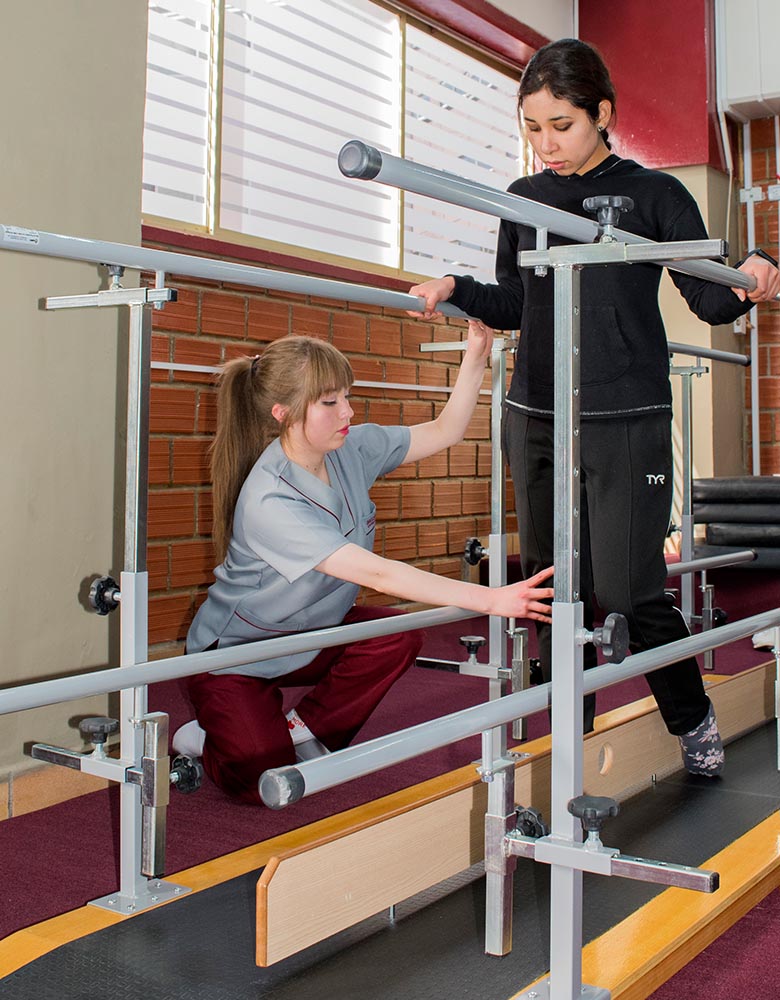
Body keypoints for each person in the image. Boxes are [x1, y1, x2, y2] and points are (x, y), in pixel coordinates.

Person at [408, 38, 780, 776]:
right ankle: (563, 738)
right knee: (549, 584)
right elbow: (516, 301)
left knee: (629, 589)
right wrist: (455, 288)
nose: (546, 144)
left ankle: (691, 718)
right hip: (537, 414)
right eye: (533, 126)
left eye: (563, 125)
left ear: (603, 113)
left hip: (626, 421)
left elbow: (709, 298)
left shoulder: (654, 196)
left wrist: (759, 265)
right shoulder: (522, 197)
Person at [176, 328, 554, 804]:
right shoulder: (269, 498)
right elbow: (376, 573)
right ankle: (211, 737)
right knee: (264, 784)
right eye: (330, 402)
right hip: (238, 654)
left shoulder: (350, 449)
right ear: (284, 414)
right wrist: (491, 598)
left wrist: (475, 360)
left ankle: (303, 729)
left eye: (346, 398)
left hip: (314, 633)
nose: (348, 412)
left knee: (397, 635)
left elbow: (444, 431)